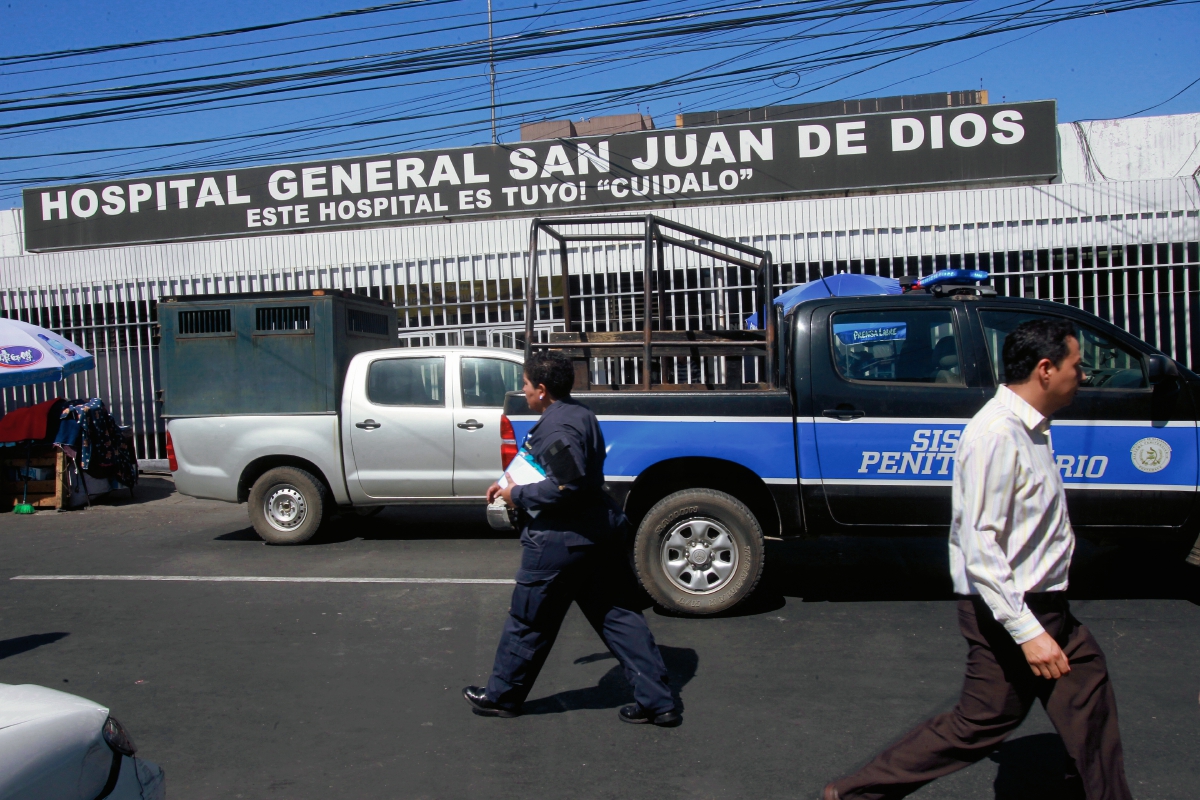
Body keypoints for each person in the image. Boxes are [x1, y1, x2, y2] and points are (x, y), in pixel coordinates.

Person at [823, 318, 1132, 800]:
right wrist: (1028, 634)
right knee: (979, 724)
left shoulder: (1032, 428)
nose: (1084, 376)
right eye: (1078, 365)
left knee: (1088, 702)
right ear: (1046, 369)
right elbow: (980, 545)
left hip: (1045, 606)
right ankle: (853, 794)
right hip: (1010, 608)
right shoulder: (995, 434)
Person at [463, 350, 679, 726]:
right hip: (599, 534)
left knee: (529, 620)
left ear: (542, 390)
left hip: (561, 540)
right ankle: (659, 702)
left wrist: (518, 496)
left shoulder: (556, 427)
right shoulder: (580, 414)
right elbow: (548, 467)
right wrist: (507, 482)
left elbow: (569, 484)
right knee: (619, 616)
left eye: (527, 385)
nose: (524, 391)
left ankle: (502, 696)